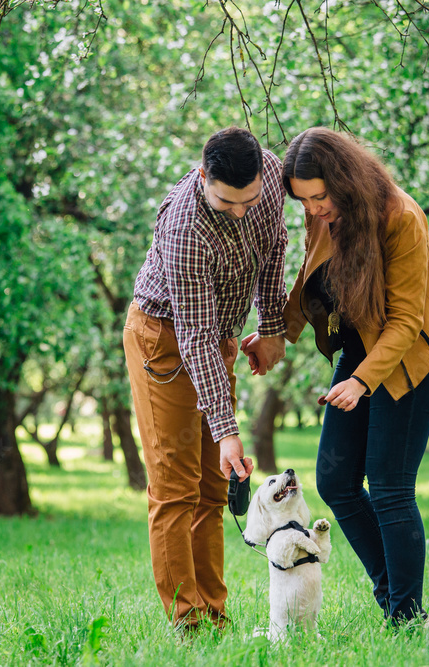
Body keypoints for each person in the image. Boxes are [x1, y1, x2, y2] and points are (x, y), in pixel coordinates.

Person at [275, 127, 429, 623]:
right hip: (361, 342)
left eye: (318, 197)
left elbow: (406, 321)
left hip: (414, 351)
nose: (311, 209)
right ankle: (397, 604)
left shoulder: (401, 218)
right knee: (335, 481)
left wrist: (360, 380)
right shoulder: (324, 215)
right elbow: (310, 277)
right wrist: (279, 334)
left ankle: (405, 618)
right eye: (303, 200)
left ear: (344, 180)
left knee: (391, 486)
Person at [123, 127, 288, 630]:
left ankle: (216, 616)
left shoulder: (273, 174)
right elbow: (194, 335)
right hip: (166, 341)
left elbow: (275, 244)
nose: (240, 211)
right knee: (176, 487)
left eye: (249, 200)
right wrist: (227, 430)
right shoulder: (185, 225)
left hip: (219, 336)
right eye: (226, 203)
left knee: (215, 490)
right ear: (203, 177)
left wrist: (273, 327)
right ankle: (188, 625)